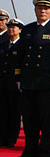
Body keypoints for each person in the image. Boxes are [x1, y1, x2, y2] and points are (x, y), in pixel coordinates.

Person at [13, 0, 50, 157]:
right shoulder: (27, 29)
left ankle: (44, 153)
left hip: (47, 83)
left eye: (46, 8)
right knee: (29, 120)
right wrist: (18, 77)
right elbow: (19, 56)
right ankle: (29, 151)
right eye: (40, 7)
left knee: (46, 121)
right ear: (35, 9)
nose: (43, 10)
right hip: (29, 82)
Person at [0, 18, 24, 147]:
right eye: (9, 27)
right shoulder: (3, 44)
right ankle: (2, 136)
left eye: (14, 27)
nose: (11, 30)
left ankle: (12, 138)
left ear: (20, 29)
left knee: (14, 112)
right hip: (3, 83)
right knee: (3, 111)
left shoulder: (22, 45)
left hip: (15, 83)